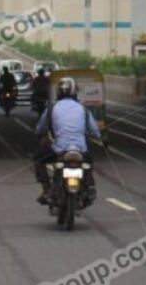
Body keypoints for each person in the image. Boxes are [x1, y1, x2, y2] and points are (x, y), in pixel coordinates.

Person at [34, 76, 100, 205]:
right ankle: (88, 186)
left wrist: (39, 137)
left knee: (38, 159)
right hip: (80, 149)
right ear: (75, 92)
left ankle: (47, 189)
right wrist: (100, 139)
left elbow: (40, 129)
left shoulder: (51, 109)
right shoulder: (83, 109)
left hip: (59, 149)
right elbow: (95, 132)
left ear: (59, 92)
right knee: (89, 161)